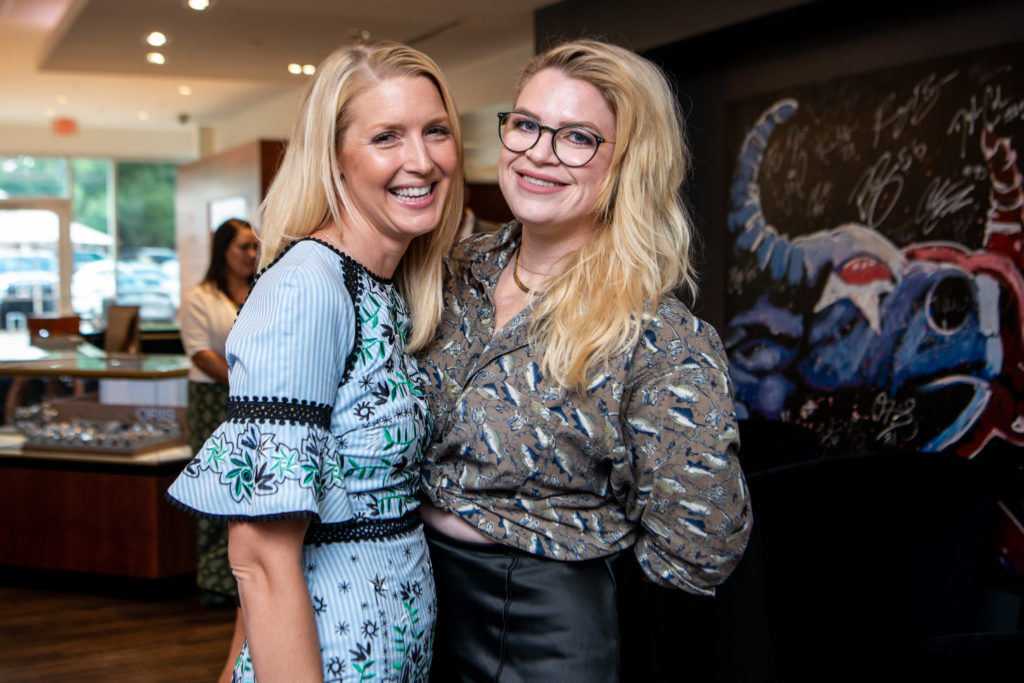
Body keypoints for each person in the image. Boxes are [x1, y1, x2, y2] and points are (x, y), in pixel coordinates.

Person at [418, 39, 751, 682]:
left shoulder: (656, 336)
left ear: (628, 164)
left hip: (540, 633)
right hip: (411, 599)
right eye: (526, 124)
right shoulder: (451, 275)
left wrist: (588, 567)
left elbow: (703, 540)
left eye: (577, 137)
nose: (538, 152)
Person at [168, 39, 463, 682]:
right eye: (387, 136)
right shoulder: (309, 287)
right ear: (334, 159)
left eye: (435, 131)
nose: (422, 160)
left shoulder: (385, 283)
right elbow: (261, 559)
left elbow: (286, 518)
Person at [178, 217, 258, 682]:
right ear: (223, 250)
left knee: (244, 491)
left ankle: (241, 581)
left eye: (254, 247)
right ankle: (213, 583)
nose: (250, 255)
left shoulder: (264, 288)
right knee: (214, 490)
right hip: (215, 398)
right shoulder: (200, 297)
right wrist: (246, 381)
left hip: (251, 402)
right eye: (243, 247)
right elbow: (199, 353)